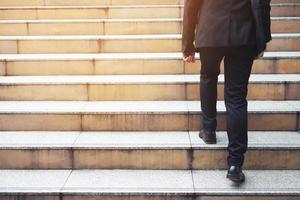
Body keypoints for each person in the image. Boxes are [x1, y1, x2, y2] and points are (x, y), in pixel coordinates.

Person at [182, 0, 271, 183]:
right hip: (244, 34)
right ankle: (235, 165)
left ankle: (208, 130)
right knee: (236, 97)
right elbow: (263, 3)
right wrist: (262, 39)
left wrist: (187, 43)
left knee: (208, 77)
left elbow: (191, 4)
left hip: (210, 31)